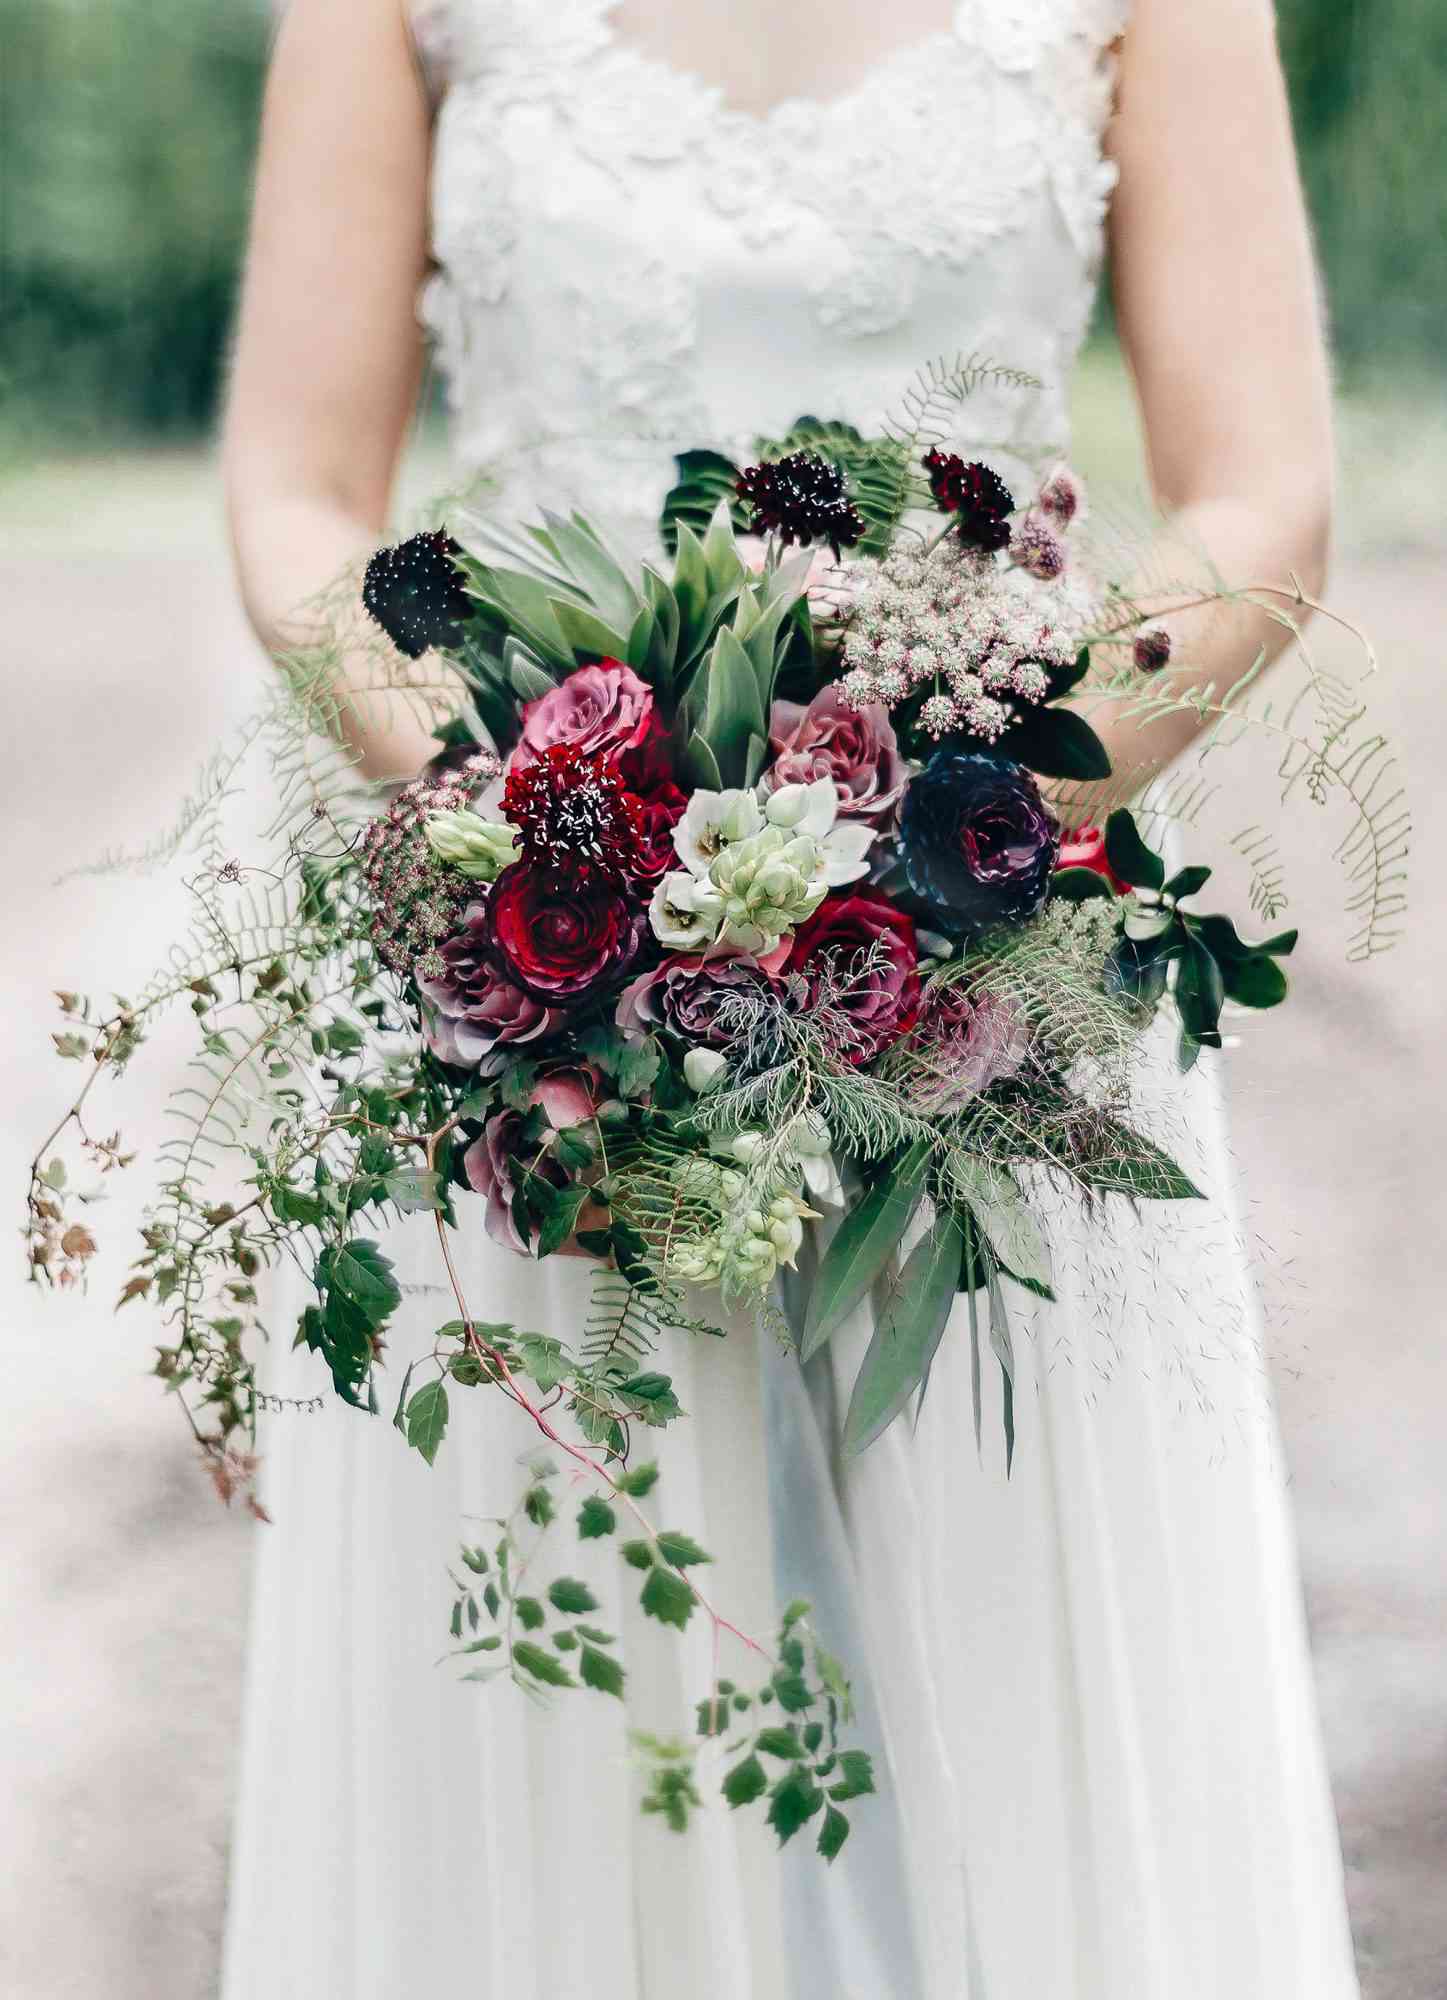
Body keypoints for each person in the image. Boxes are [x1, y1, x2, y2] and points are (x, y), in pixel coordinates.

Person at [220, 3, 1359, 1995]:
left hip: (999, 1019)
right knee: (572, 1766)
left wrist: (948, 861)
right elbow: (298, 489)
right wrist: (530, 837)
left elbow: (1262, 498)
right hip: (534, 1012)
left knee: (1012, 1736)